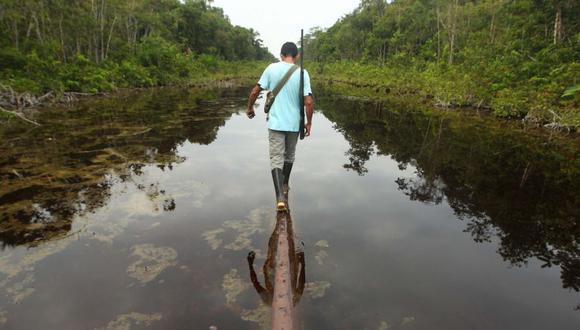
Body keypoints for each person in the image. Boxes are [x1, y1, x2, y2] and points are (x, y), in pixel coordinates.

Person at [246, 42, 314, 211]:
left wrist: (249, 108)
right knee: (289, 155)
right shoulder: (302, 73)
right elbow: (309, 101)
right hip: (294, 123)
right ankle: (285, 184)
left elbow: (255, 91)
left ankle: (280, 198)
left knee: (276, 158)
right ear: (296, 56)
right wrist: (309, 122)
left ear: (281, 55)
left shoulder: (271, 68)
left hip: (276, 123)